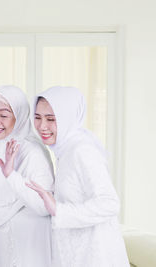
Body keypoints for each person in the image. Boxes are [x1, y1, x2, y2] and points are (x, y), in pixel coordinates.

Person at [27, 86, 129, 267]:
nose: (42, 126)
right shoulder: (64, 150)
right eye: (37, 117)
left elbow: (110, 203)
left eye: (51, 119)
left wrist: (59, 210)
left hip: (97, 257)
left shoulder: (82, 151)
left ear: (67, 118)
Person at [0, 85, 54, 267]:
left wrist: (12, 176)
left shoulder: (33, 152)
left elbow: (44, 206)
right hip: (3, 241)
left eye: (4, 115)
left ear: (20, 116)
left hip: (29, 244)